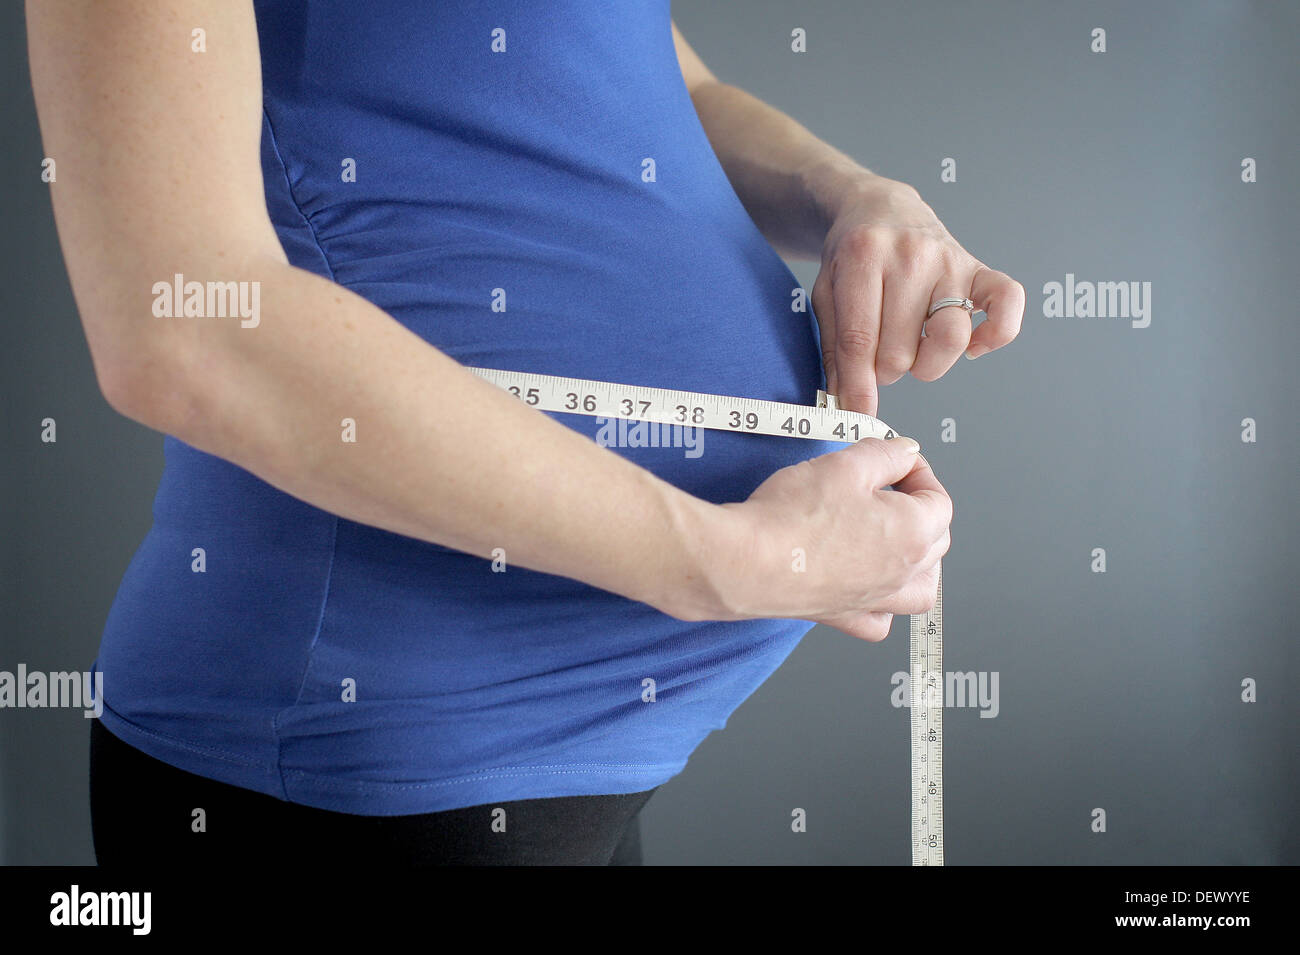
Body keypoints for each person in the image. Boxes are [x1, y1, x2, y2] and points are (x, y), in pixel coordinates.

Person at [26, 0, 1022, 866]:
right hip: (372, 750)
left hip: (584, 753)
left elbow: (618, 59)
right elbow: (188, 328)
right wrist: (720, 561)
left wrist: (851, 195)